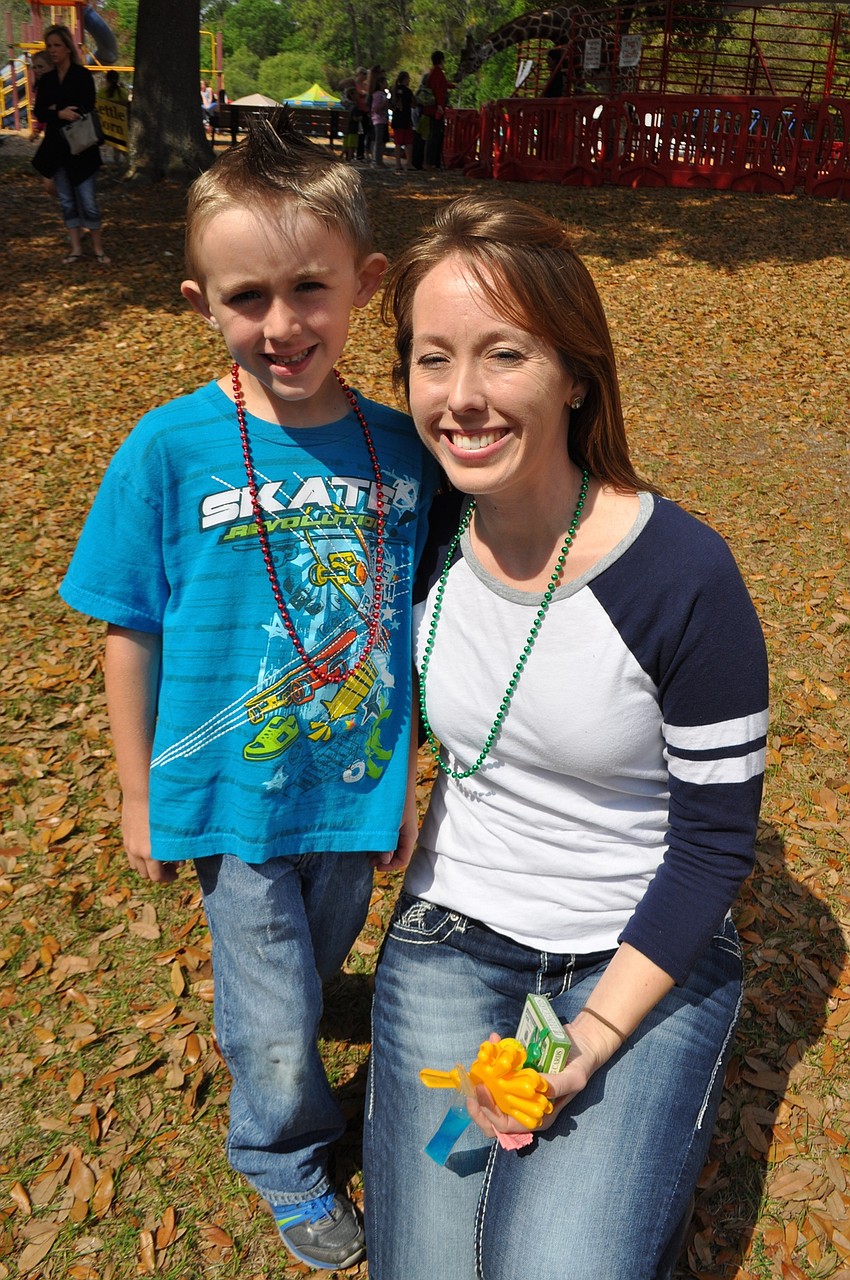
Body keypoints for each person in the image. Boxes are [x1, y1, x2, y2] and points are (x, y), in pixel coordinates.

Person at [363, 193, 768, 1280]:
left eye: (504, 355)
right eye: (431, 358)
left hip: (637, 954)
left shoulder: (684, 577)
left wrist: (583, 1045)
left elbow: (714, 847)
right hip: (454, 932)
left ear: (575, 373)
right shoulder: (419, 521)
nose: (460, 398)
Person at [59, 115, 437, 1273]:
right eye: (247, 296)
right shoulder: (168, 449)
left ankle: (289, 1006)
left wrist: (411, 772)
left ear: (366, 284)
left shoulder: (405, 445)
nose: (283, 324)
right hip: (230, 788)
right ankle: (281, 1153)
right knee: (272, 1010)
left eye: (310, 288)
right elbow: (129, 629)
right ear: (200, 300)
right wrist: (137, 793)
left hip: (356, 783)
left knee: (310, 958)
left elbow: (422, 624)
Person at [32, 24, 109, 265]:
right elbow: (40, 112)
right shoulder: (46, 81)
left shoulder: (82, 75)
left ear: (67, 47)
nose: (52, 50)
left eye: (56, 45)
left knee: (88, 201)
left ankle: (98, 249)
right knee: (66, 201)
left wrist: (61, 110)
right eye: (49, 46)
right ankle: (75, 248)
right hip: (57, 151)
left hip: (82, 149)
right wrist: (59, 113)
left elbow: (86, 105)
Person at [422, 50, 453, 170]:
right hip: (436, 109)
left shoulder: (433, 72)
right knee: (434, 135)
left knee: (434, 134)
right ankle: (430, 162)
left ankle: (431, 161)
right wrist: (440, 106)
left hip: (433, 108)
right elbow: (439, 90)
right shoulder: (437, 72)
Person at [391, 71, 414, 172]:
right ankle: (408, 163)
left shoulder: (394, 91)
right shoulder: (408, 92)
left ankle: (397, 163)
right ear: (405, 79)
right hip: (405, 118)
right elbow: (413, 103)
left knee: (398, 143)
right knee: (408, 142)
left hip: (397, 119)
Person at [369, 71, 389, 168]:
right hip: (378, 120)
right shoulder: (377, 95)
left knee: (382, 141)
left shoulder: (383, 94)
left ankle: (380, 160)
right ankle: (376, 161)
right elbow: (376, 109)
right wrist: (384, 104)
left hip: (384, 119)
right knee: (378, 140)